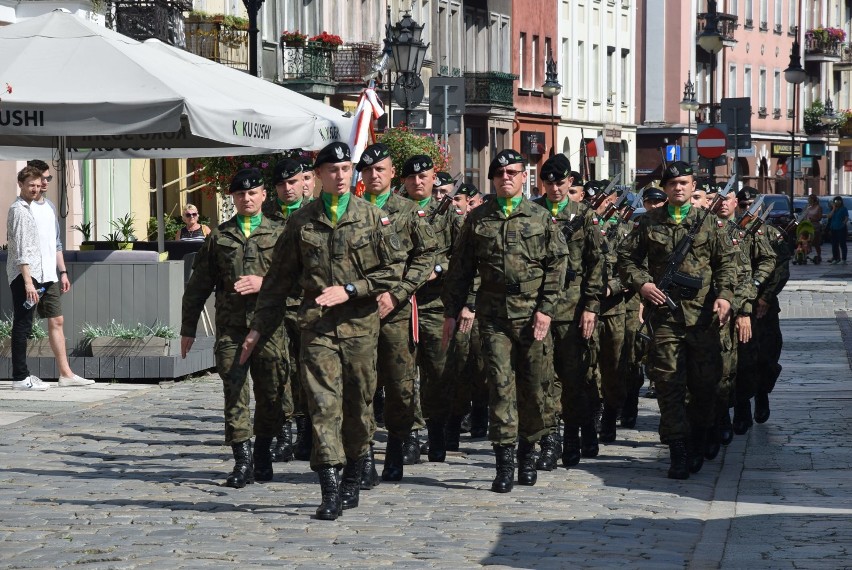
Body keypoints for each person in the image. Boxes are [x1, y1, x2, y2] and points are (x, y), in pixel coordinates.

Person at [241, 141, 405, 521]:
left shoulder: (371, 217)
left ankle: (354, 471)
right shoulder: (301, 222)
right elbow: (278, 282)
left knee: (358, 406)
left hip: (361, 326)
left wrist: (351, 289)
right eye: (333, 170)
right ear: (317, 176)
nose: (341, 176)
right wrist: (258, 329)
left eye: (346, 169)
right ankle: (329, 486)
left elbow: (391, 272)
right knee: (321, 405)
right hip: (316, 326)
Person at [442, 149, 569, 493]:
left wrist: (546, 309)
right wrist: (451, 312)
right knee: (499, 386)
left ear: (523, 176)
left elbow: (558, 267)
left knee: (533, 386)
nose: (507, 178)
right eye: (500, 174)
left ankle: (528, 452)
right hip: (494, 314)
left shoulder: (540, 217)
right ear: (493, 179)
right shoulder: (478, 218)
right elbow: (460, 269)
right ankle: (504, 460)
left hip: (532, 314)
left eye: (513, 172)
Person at [617, 161, 736, 480]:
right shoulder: (649, 223)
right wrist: (643, 283)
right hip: (666, 317)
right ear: (665, 188)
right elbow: (626, 258)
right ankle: (678, 449)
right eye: (672, 184)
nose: (678, 188)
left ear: (692, 185)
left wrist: (725, 296)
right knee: (669, 384)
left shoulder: (709, 224)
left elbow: (726, 264)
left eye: (683, 183)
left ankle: (698, 436)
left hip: (703, 318)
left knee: (703, 386)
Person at [180, 168, 286, 489]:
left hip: (270, 330)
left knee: (271, 395)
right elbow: (198, 286)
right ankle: (242, 460)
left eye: (252, 192)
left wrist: (264, 283)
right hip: (231, 330)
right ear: (234, 198)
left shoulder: (281, 233)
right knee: (235, 394)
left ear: (264, 195)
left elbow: (300, 279)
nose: (247, 198)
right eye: (240, 194)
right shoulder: (220, 237)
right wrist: (188, 328)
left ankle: (264, 452)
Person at [356, 143, 436, 483]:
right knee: (359, 387)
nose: (374, 175)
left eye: (381, 170)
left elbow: (426, 256)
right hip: (357, 312)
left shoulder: (407, 211)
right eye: (369, 170)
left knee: (400, 388)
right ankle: (361, 458)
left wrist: (399, 293)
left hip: (396, 312)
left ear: (391, 174)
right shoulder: (350, 210)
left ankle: (396, 451)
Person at [533, 155, 604, 469]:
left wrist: (590, 306)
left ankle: (574, 434)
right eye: (548, 182)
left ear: (570, 182)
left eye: (560, 182)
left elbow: (597, 263)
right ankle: (550, 440)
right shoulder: (532, 213)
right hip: (537, 310)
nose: (554, 188)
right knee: (541, 378)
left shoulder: (583, 215)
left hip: (572, 309)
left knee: (573, 377)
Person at [7, 164, 94, 390]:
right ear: (22, 184)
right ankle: (20, 377)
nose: (39, 186)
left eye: (43, 181)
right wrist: (27, 281)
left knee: (57, 320)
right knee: (23, 325)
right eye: (34, 183)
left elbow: (55, 242)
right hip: (29, 275)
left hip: (48, 274)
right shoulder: (20, 210)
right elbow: (22, 249)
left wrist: (62, 271)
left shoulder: (49, 207)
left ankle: (65, 374)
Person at [401, 155, 463, 465]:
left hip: (436, 305)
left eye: (423, 176)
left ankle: (437, 432)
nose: (418, 181)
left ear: (433, 177)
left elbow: (462, 257)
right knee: (403, 374)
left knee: (438, 372)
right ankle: (410, 435)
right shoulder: (393, 211)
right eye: (411, 177)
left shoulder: (448, 214)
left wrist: (438, 268)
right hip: (402, 304)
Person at [262, 158, 309, 464]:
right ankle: (284, 433)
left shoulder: (315, 214)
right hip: (277, 307)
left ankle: (307, 434)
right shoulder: (265, 217)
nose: (288, 188)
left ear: (304, 182)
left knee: (306, 371)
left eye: (293, 182)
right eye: (281, 184)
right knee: (278, 371)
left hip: (307, 306)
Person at [827, 197, 848, 264]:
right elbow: (829, 216)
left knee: (842, 244)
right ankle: (836, 258)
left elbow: (846, 217)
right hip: (833, 228)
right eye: (835, 201)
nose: (837, 202)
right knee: (834, 244)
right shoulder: (833, 209)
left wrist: (843, 223)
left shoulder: (843, 209)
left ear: (841, 201)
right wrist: (833, 209)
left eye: (839, 201)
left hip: (841, 228)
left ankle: (844, 259)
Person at [803, 194, 823, 261]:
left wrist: (813, 219)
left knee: (816, 243)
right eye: (809, 199)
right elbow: (804, 215)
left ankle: (819, 255)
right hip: (807, 226)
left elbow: (820, 218)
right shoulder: (807, 207)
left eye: (810, 199)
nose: (809, 200)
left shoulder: (818, 207)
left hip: (815, 226)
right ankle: (804, 255)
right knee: (805, 241)